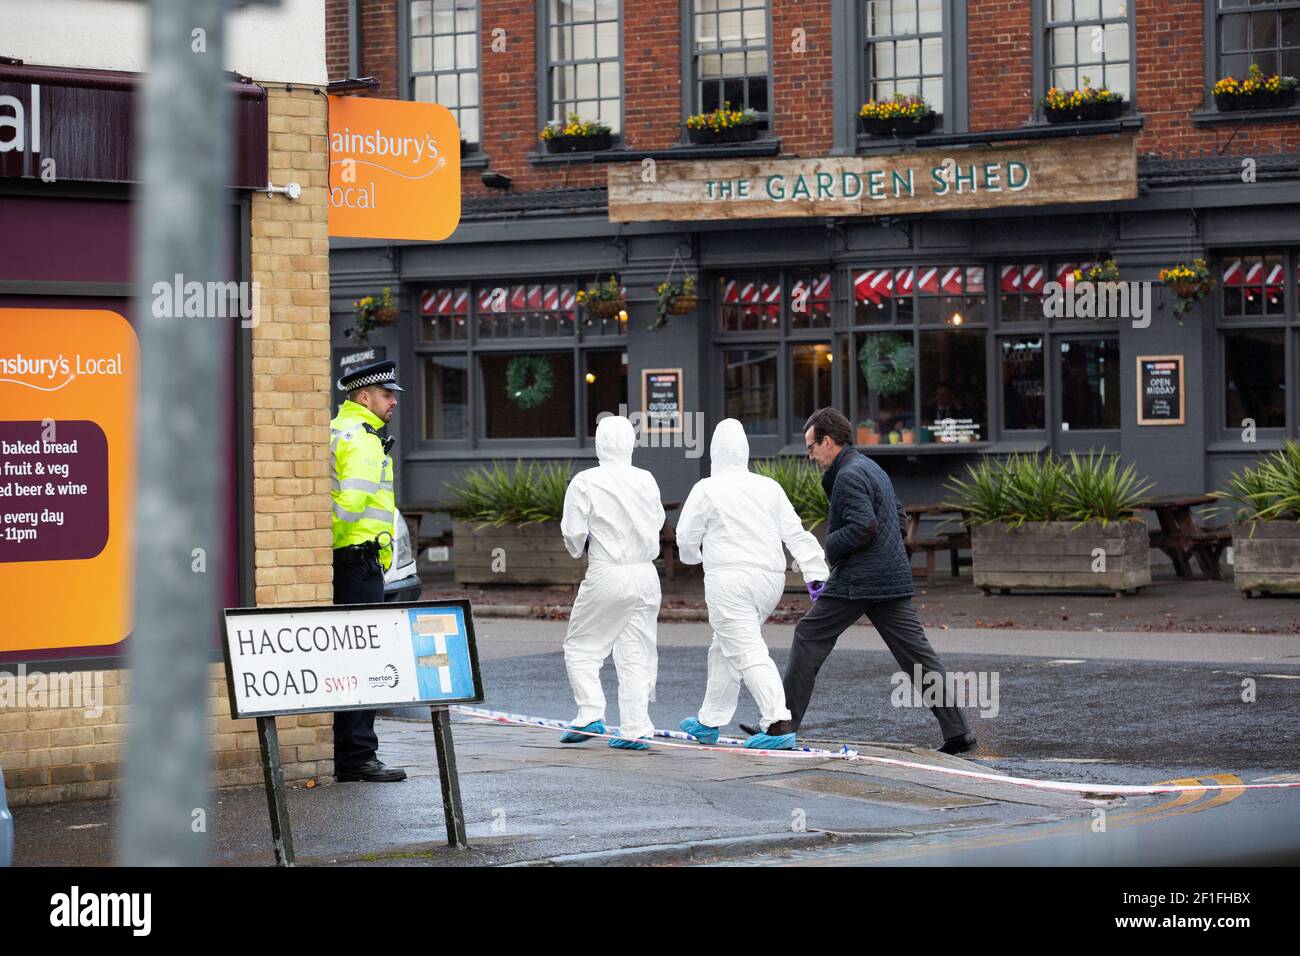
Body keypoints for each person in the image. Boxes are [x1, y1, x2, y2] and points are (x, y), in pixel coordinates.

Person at [753, 407, 976, 754]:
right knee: (917, 656)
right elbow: (899, 519)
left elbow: (863, 526)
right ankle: (958, 731)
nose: (810, 455)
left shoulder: (848, 475)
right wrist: (886, 554)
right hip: (889, 578)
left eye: (811, 447)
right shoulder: (871, 467)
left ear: (827, 442)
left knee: (809, 636)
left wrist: (832, 546)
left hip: (859, 579)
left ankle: (781, 725)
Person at [675, 419, 828, 751]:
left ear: (715, 453)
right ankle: (710, 719)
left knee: (745, 650)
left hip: (729, 579)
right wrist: (815, 571)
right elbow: (795, 532)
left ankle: (778, 722)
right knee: (725, 647)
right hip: (769, 581)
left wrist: (692, 558)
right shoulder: (768, 487)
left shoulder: (707, 488)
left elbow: (685, 537)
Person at [559, 415, 665, 750]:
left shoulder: (586, 481)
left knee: (582, 646)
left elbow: (573, 532)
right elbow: (659, 520)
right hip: (647, 573)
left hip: (609, 570)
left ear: (599, 444)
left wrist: (578, 549)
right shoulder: (646, 478)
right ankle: (636, 727)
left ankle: (589, 712)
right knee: (635, 652)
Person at [329, 359, 407, 782]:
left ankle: (350, 753)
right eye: (386, 394)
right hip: (358, 561)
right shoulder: (363, 440)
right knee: (362, 658)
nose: (393, 401)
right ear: (364, 396)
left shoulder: (338, 429)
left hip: (348, 560)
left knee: (346, 657)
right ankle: (358, 756)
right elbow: (349, 506)